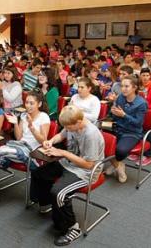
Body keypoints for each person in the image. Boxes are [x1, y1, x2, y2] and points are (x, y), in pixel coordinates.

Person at [30, 105, 104, 246]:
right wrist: (51, 141)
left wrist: (63, 153)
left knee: (59, 193)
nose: (67, 130)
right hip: (69, 163)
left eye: (69, 127)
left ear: (78, 122)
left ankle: (73, 228)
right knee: (39, 174)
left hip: (86, 172)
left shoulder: (91, 134)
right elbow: (62, 134)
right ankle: (47, 205)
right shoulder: (72, 123)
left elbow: (89, 165)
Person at [0, 90, 50, 211]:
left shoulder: (44, 117)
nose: (28, 105)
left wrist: (32, 127)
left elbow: (43, 141)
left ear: (39, 104)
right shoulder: (23, 115)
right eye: (26, 102)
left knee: (3, 151)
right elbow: (19, 138)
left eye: (31, 103)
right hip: (17, 147)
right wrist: (15, 123)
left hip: (31, 153)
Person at [105, 76, 148, 182]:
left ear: (134, 88)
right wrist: (113, 112)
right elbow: (115, 117)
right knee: (101, 141)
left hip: (132, 132)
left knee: (120, 150)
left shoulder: (141, 103)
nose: (123, 88)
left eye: (127, 86)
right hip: (117, 127)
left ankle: (117, 163)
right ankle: (118, 166)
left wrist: (124, 115)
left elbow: (138, 124)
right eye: (122, 86)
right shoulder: (120, 98)